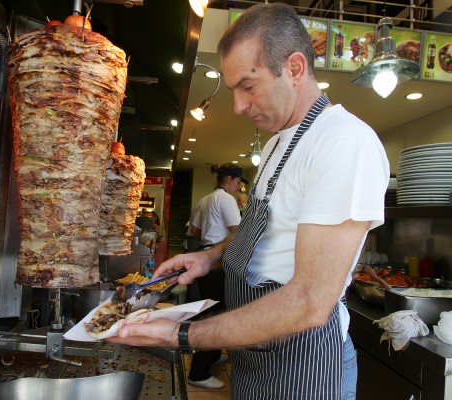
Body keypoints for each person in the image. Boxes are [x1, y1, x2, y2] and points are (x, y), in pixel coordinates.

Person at [108, 3, 390, 399]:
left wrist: (183, 334)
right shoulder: (277, 142)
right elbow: (263, 231)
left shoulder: (343, 142)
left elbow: (311, 301)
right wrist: (211, 256)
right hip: (254, 355)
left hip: (303, 363)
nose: (238, 106)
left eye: (248, 86)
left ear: (294, 68)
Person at [186, 163, 246, 390]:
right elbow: (238, 233)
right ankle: (198, 373)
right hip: (218, 261)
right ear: (229, 179)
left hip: (205, 255)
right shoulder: (227, 199)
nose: (239, 187)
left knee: (210, 308)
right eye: (239, 182)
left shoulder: (206, 199)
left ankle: (211, 357)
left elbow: (196, 232)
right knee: (215, 314)